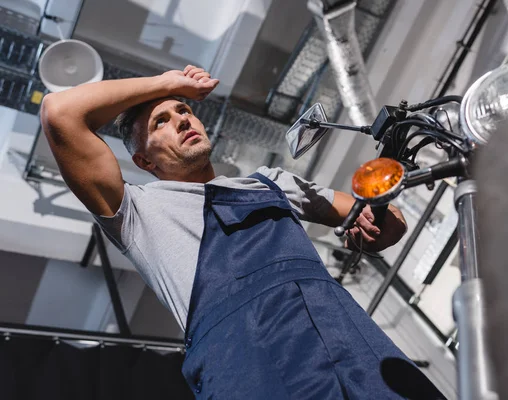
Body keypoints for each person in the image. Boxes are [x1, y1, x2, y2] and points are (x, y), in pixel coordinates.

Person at [40, 65, 445, 399]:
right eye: (161, 122)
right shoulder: (137, 214)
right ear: (145, 161)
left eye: (184, 110)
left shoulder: (271, 183)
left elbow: (378, 218)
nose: (182, 119)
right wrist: (169, 83)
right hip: (245, 362)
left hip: (344, 333)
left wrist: (384, 224)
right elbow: (60, 112)